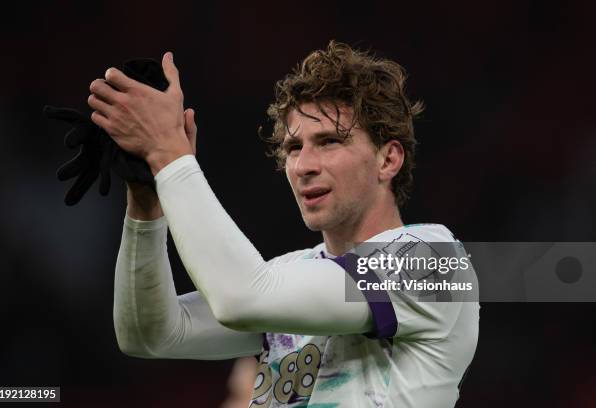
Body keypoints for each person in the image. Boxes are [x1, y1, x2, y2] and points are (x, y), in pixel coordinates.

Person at [90, 41, 479, 407]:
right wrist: (148, 199)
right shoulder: (291, 274)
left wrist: (169, 154)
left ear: (388, 159)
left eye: (330, 141)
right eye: (294, 147)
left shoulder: (434, 259)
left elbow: (241, 299)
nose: (304, 165)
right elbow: (151, 335)